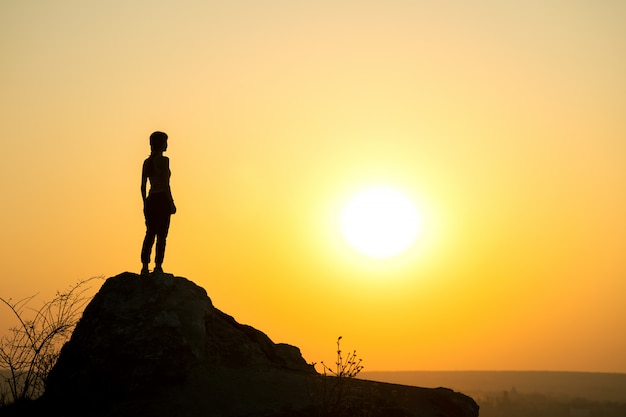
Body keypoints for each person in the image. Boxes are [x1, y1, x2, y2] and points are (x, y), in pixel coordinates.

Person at [140, 131, 176, 275]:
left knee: (150, 234)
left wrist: (144, 204)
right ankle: (158, 266)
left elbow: (143, 187)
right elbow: (166, 185)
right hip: (162, 199)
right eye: (165, 142)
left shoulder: (147, 162)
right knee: (162, 235)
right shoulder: (164, 161)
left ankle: (144, 266)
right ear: (161, 144)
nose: (167, 144)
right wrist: (171, 203)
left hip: (150, 200)